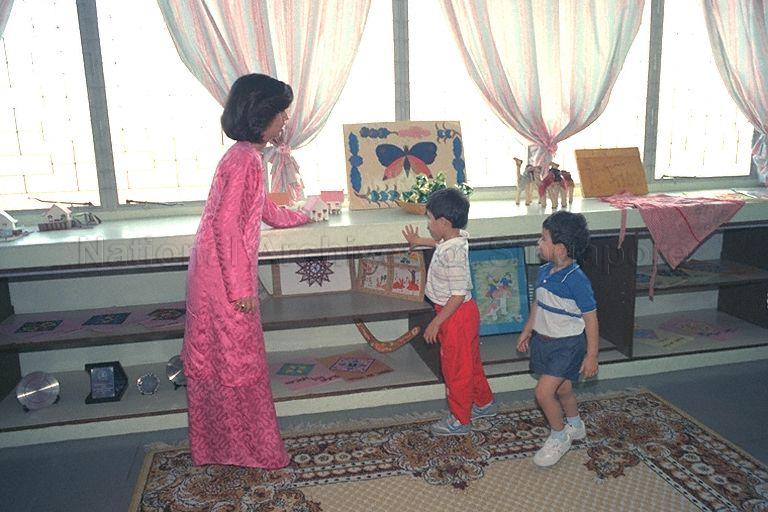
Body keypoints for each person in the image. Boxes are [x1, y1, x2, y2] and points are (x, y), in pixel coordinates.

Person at [182, 74, 310, 468]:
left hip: (216, 273)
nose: (285, 119)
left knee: (223, 361)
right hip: (222, 280)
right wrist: (241, 290)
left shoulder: (245, 156)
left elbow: (259, 209)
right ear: (262, 116)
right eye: (281, 112)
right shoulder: (243, 160)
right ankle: (250, 451)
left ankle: (223, 448)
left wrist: (297, 216)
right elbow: (224, 226)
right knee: (237, 361)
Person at [402, 188, 496, 435]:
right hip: (463, 313)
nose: (428, 224)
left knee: (456, 370)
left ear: (443, 223)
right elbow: (440, 243)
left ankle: (460, 420)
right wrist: (419, 242)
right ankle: (484, 402)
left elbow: (457, 294)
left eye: (430, 219)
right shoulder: (454, 240)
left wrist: (436, 323)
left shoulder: (452, 252)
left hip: (454, 315)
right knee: (470, 363)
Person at [516, 210, 599, 467]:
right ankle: (576, 424)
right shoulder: (544, 271)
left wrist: (592, 355)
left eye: (543, 239)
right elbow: (537, 304)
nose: (538, 243)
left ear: (560, 249)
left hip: (568, 345)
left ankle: (559, 435)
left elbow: (591, 318)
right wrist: (528, 329)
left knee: (543, 392)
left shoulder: (576, 281)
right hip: (545, 341)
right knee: (562, 388)